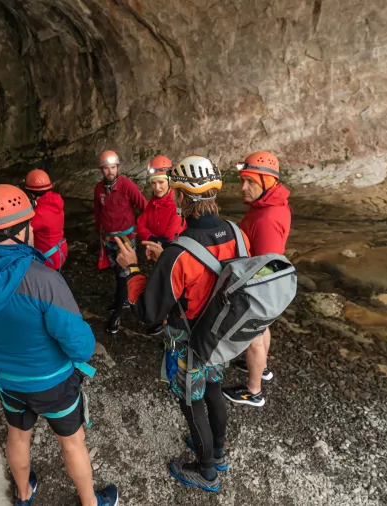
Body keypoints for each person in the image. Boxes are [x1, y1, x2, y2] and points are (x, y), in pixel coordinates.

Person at [0, 184, 119, 506]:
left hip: (6, 381)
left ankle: (24, 494)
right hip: (52, 382)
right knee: (72, 442)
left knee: (17, 435)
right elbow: (81, 347)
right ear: (19, 231)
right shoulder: (43, 279)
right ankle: (90, 502)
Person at [114, 155, 251, 493]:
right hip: (220, 336)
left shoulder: (179, 252)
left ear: (179, 197)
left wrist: (132, 269)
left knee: (192, 402)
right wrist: (167, 262)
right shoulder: (236, 233)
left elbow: (147, 312)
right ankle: (217, 453)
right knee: (215, 391)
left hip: (189, 342)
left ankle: (206, 472)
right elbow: (215, 272)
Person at [222, 151, 292, 407]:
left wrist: (244, 291)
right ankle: (261, 367)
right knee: (263, 328)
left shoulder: (267, 218)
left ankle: (253, 391)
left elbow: (264, 264)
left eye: (250, 181)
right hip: (270, 285)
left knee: (251, 335)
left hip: (260, 286)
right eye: (243, 180)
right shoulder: (273, 205)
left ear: (267, 181)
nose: (243, 187)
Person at [93, 149, 147, 334]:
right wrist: (99, 232)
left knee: (124, 274)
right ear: (102, 170)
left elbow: (143, 206)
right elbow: (98, 212)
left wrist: (143, 231)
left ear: (118, 168)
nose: (110, 172)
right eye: (106, 168)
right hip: (108, 238)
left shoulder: (126, 185)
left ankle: (117, 314)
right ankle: (120, 299)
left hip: (125, 239)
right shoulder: (99, 189)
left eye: (113, 168)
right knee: (117, 272)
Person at [136, 155, 185, 335]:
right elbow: (140, 224)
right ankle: (163, 320)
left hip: (171, 255)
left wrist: (151, 240)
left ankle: (169, 323)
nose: (157, 188)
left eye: (161, 183)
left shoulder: (176, 205)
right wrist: (152, 239)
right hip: (158, 252)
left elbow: (170, 236)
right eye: (153, 183)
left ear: (169, 181)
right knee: (161, 286)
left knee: (171, 289)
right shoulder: (154, 202)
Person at [24, 169, 68, 271]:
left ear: (32, 194)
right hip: (60, 249)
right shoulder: (55, 202)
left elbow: (24, 232)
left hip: (49, 257)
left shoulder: (40, 213)